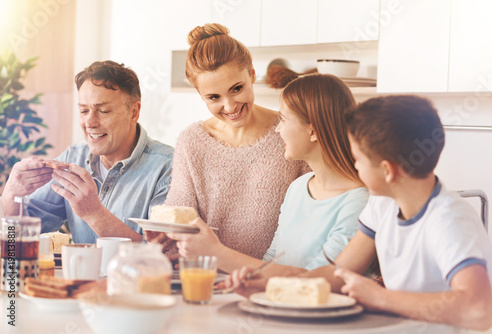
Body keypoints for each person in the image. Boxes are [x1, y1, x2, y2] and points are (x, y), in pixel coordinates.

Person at [227, 95, 492, 331]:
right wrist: (272, 287)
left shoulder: (447, 221)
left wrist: (380, 297)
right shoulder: (384, 204)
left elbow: (479, 309)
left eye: (358, 159)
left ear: (387, 170)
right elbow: (338, 272)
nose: (354, 166)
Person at [166, 74, 369, 274]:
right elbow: (272, 259)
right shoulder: (299, 187)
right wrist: (247, 281)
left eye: (284, 120)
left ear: (313, 131)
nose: (278, 129)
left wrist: (217, 254)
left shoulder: (359, 202)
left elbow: (317, 280)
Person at [146, 23, 309, 259]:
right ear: (200, 95)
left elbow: (314, 213)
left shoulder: (288, 132)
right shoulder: (192, 142)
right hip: (207, 278)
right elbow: (180, 211)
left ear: (252, 74)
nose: (230, 106)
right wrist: (166, 236)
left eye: (237, 88)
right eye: (214, 97)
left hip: (273, 281)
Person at [1, 60, 174, 243]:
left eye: (104, 111)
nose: (90, 123)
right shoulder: (73, 158)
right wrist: (11, 193)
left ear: (133, 112)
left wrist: (94, 214)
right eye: (84, 111)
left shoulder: (170, 168)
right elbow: (18, 236)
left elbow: (163, 254)